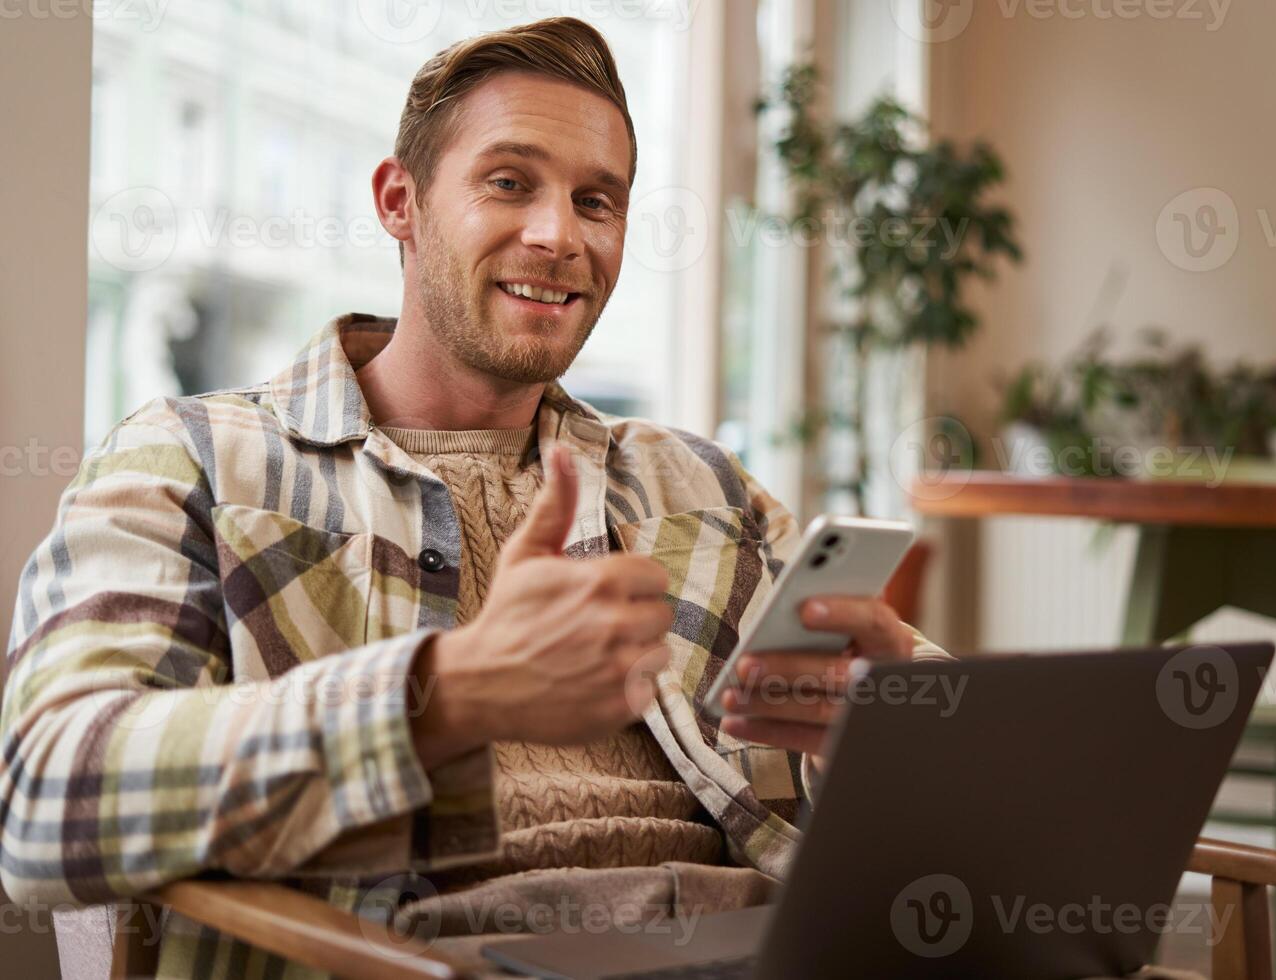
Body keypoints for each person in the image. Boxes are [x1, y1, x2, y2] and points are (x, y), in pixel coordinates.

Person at [0, 18, 945, 977]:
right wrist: (437, 699)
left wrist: (906, 713)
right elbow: (46, 799)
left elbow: (992, 770)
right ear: (398, 201)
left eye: (596, 201)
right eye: (508, 182)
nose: (559, 236)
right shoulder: (192, 460)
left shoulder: (699, 484)